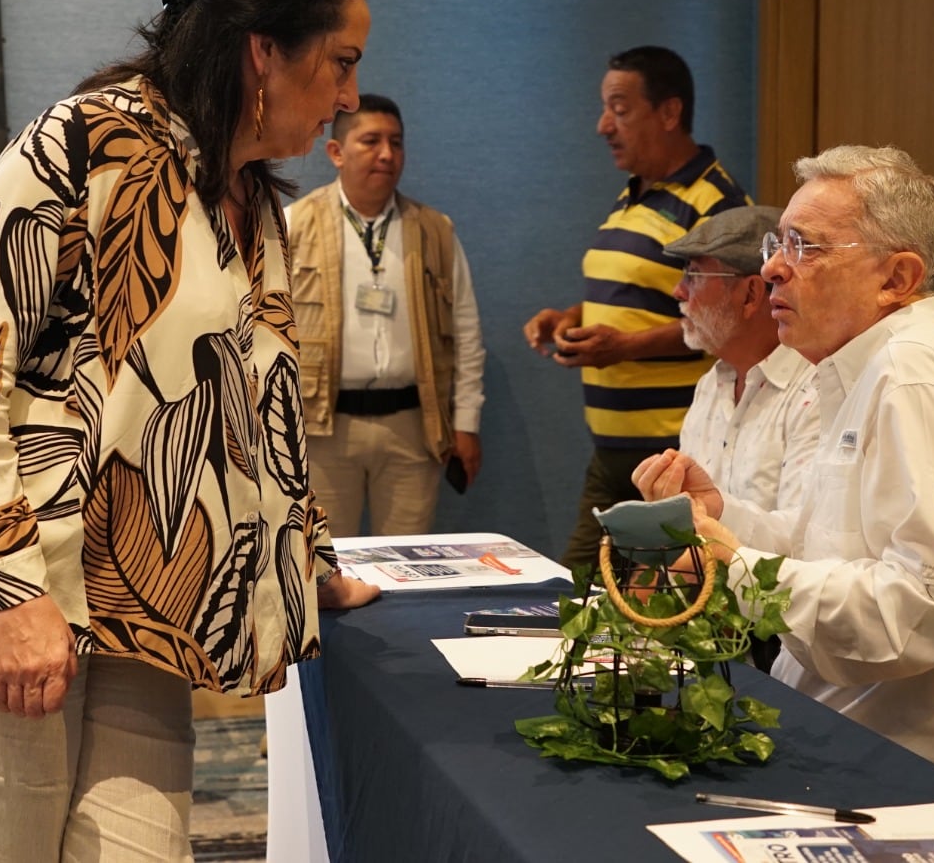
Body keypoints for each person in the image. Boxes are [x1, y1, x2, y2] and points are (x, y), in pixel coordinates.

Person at [0, 0, 381, 863]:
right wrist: (10, 592)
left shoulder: (252, 201)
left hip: (134, 600)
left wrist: (304, 559)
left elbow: (255, 415)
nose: (351, 95)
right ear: (263, 52)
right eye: (341, 62)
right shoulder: (87, 142)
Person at [633, 145, 934, 826]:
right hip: (855, 738)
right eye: (775, 244)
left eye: (806, 247)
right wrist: (725, 516)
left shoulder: (916, 376)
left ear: (896, 277)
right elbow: (835, 548)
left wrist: (738, 569)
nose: (774, 269)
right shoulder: (859, 368)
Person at [522, 45, 750, 567]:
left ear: (669, 113)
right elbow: (638, 293)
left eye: (620, 109)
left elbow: (730, 317)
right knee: (582, 591)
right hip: (612, 449)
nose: (604, 125)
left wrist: (624, 347)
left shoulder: (715, 202)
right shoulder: (633, 196)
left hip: (669, 449)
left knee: (653, 597)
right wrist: (572, 318)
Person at [285, 94, 486, 536]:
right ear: (336, 152)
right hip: (322, 428)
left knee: (408, 566)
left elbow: (466, 333)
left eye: (396, 142)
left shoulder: (435, 229)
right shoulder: (291, 225)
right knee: (323, 569)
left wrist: (466, 424)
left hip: (412, 429)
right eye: (371, 141)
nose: (387, 154)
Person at [662, 204, 819, 671]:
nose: (678, 291)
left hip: (782, 645)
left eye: (693, 276)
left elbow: (804, 546)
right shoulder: (711, 384)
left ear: (752, 294)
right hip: (703, 628)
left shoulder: (815, 391)